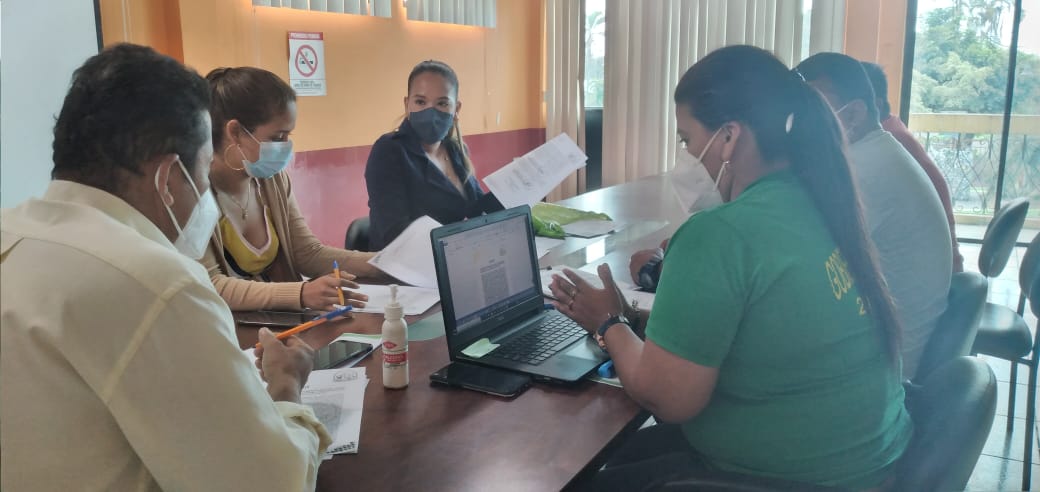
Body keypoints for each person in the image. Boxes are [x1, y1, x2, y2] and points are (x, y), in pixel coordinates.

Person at [549, 45, 911, 489]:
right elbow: (754, 330)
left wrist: (607, 323)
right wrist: (633, 319)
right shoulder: (823, 201)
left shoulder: (719, 233)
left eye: (686, 140)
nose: (685, 156)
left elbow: (668, 399)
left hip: (792, 479)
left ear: (728, 137)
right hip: (869, 463)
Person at [1, 44, 329, 491]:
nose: (206, 194)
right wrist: (287, 385)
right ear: (168, 178)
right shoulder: (155, 283)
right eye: (203, 171)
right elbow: (271, 482)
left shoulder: (12, 236)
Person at [797, 52, 953, 379]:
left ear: (854, 114)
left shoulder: (862, 171)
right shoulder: (880, 151)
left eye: (811, 112)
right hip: (896, 342)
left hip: (889, 367)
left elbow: (801, 263)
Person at [204, 66, 377, 312]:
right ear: (235, 132)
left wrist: (384, 263)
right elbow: (211, 285)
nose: (286, 146)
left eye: (288, 135)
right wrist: (301, 293)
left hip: (280, 323)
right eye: (278, 137)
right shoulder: (193, 190)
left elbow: (307, 253)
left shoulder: (272, 180)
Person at [365, 60, 503, 250]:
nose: (430, 111)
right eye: (420, 102)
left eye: (442, 103)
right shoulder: (389, 150)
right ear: (407, 104)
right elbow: (394, 233)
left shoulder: (456, 150)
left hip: (457, 256)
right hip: (407, 264)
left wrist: (515, 191)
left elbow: (476, 208)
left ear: (456, 109)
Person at [861, 61, 964, 272]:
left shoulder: (888, 141)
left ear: (874, 105)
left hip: (932, 269)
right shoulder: (892, 128)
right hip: (934, 262)